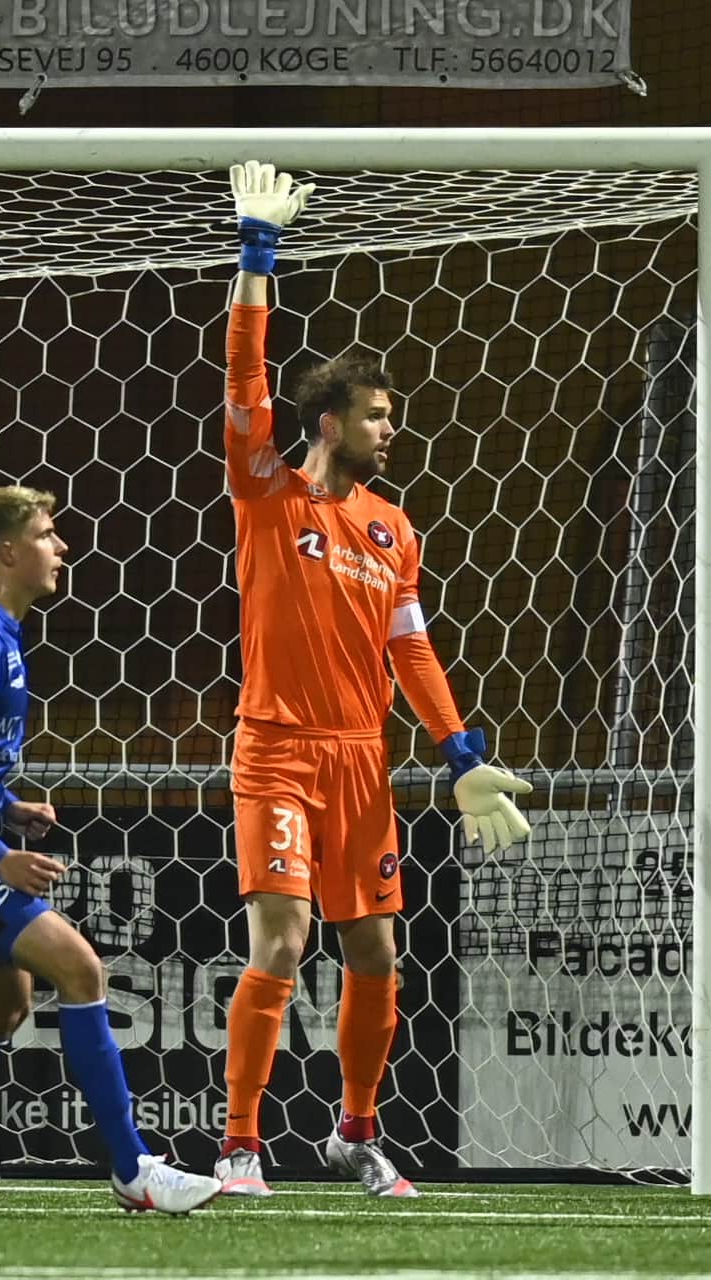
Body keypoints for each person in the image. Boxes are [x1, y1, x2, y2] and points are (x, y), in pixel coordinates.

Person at [212, 162, 534, 1199]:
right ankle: (240, 1144)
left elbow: (412, 648)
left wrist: (460, 751)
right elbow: (244, 382)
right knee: (282, 941)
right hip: (276, 748)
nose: (391, 430)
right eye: (377, 416)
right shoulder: (268, 491)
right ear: (329, 421)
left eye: (393, 417)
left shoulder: (394, 528)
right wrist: (257, 257)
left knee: (378, 953)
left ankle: (355, 1133)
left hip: (364, 762)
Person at [0, 485, 220, 1216]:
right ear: (7, 551)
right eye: (47, 535)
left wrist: (5, 804)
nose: (62, 548)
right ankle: (135, 1172)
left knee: (3, 1004)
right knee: (81, 967)